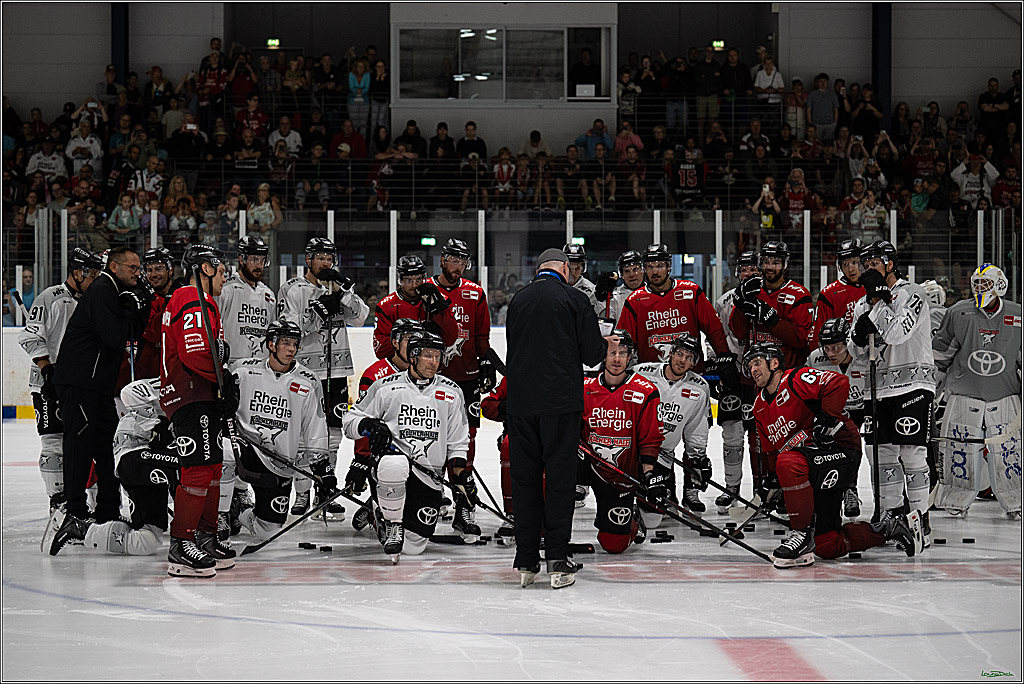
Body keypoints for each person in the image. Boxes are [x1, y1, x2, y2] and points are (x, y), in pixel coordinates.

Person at [744, 343, 922, 568]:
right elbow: (771, 450)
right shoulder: (759, 406)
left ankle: (801, 534)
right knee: (827, 546)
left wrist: (826, 420)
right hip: (811, 466)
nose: (753, 370)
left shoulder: (795, 378)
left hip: (839, 448)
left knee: (789, 462)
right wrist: (771, 482)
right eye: (750, 366)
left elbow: (837, 383)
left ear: (775, 363)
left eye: (757, 363)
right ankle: (890, 528)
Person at [505, 248, 612, 589]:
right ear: (565, 269)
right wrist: (604, 340)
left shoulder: (518, 300)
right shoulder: (574, 299)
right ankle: (556, 559)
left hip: (521, 404)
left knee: (526, 480)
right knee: (560, 482)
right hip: (561, 405)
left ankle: (525, 560)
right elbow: (594, 356)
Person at [45, 247, 149, 547]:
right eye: (132, 267)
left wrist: (133, 309)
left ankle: (107, 509)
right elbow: (116, 337)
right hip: (80, 382)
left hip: (96, 384)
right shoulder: (104, 289)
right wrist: (131, 310)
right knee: (79, 446)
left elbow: (127, 335)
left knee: (105, 446)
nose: (137, 272)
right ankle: (74, 511)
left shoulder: (112, 290)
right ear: (114, 267)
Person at [342, 330, 471, 563]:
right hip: (390, 469)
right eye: (428, 356)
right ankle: (392, 524)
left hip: (429, 476)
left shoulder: (452, 392)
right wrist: (368, 424)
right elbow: (349, 421)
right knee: (394, 463)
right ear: (413, 356)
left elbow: (458, 442)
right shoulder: (385, 387)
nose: (434, 362)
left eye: (438, 356)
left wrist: (461, 477)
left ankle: (377, 509)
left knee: (413, 548)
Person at [849, 240, 937, 543]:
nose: (867, 269)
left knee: (912, 454)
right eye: (865, 264)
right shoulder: (862, 303)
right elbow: (856, 353)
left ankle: (919, 515)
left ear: (889, 263)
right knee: (881, 455)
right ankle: (891, 514)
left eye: (873, 263)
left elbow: (898, 332)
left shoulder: (913, 294)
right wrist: (859, 337)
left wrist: (879, 302)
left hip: (913, 384)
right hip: (878, 390)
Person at [157, 244, 237, 577]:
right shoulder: (190, 297)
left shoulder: (204, 303)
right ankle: (181, 543)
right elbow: (193, 354)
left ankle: (205, 535)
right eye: (219, 269)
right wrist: (224, 378)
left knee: (214, 467)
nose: (224, 276)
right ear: (204, 268)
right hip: (190, 392)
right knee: (198, 470)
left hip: (201, 392)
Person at [277, 237, 368, 516]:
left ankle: (324, 490)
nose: (326, 263)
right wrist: (318, 312)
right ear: (308, 260)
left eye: (329, 258)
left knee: (333, 436)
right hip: (305, 371)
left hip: (337, 371)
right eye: (320, 257)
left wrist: (346, 290)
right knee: (304, 436)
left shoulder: (337, 289)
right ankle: (302, 492)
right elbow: (288, 330)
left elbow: (360, 317)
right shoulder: (293, 289)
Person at [46, 379, 180, 556]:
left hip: (157, 457)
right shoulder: (179, 377)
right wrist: (156, 425)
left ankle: (81, 529)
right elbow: (130, 391)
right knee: (189, 467)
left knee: (147, 542)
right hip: (134, 453)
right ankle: (199, 531)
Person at [932, 265, 1021, 520]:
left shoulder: (1018, 315)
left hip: (1005, 394)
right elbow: (941, 355)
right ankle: (955, 499)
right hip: (963, 394)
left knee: (1010, 451)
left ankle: (1015, 499)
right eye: (977, 284)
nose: (980, 289)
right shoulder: (958, 312)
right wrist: (932, 388)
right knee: (958, 450)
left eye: (986, 284)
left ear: (1000, 285)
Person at [20, 248, 104, 516]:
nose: (96, 279)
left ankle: (87, 503)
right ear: (76, 273)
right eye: (92, 274)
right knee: (54, 442)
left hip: (82, 384)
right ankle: (58, 502)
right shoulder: (51, 298)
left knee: (87, 444)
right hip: (50, 384)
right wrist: (47, 369)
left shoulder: (94, 300)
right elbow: (30, 337)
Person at [228, 320, 331, 541]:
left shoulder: (308, 381)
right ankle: (219, 512)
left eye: (295, 343)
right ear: (271, 344)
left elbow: (315, 426)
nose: (291, 349)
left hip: (278, 461)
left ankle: (237, 510)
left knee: (269, 530)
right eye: (285, 342)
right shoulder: (243, 370)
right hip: (245, 446)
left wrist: (322, 466)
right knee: (224, 452)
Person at [429, 238, 493, 537]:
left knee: (466, 443)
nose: (457, 266)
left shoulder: (475, 292)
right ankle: (431, 496)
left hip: (466, 380)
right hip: (432, 379)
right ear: (443, 260)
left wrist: (485, 363)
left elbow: (481, 334)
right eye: (453, 259)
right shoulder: (427, 290)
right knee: (430, 438)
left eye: (462, 261)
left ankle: (463, 504)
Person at [578, 330, 662, 554]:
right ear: (602, 356)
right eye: (611, 353)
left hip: (619, 475)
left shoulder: (645, 391)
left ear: (629, 357)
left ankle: (632, 520)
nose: (616, 359)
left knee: (613, 545)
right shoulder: (584, 388)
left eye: (622, 353)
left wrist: (649, 473)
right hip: (588, 465)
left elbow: (650, 437)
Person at [633, 333, 711, 528]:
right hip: (632, 450)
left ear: (694, 363)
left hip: (662, 457)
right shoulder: (642, 373)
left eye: (689, 357)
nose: (682, 360)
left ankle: (662, 493)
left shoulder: (700, 387)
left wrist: (697, 459)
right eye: (679, 354)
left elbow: (696, 429)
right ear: (670, 353)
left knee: (653, 520)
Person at [617, 243, 732, 368]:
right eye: (650, 267)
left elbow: (713, 328)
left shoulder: (691, 292)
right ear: (644, 269)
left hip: (691, 372)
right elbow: (624, 342)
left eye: (660, 266)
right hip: (650, 376)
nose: (655, 271)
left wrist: (723, 356)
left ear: (669, 267)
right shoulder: (635, 300)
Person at [711, 251, 759, 512]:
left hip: (761, 379)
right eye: (745, 269)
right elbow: (715, 336)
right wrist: (719, 366)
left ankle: (761, 489)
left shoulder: (768, 298)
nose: (749, 273)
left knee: (760, 436)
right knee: (731, 435)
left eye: (754, 269)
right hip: (734, 376)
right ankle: (732, 487)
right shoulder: (724, 301)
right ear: (738, 272)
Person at [808, 317, 868, 518]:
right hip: (831, 414)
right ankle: (831, 491)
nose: (831, 353)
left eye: (837, 347)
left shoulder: (865, 356)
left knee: (862, 447)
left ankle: (850, 488)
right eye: (827, 348)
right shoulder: (815, 359)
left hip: (862, 410)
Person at [373, 254, 459, 359]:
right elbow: (380, 350)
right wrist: (419, 336)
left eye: (418, 280)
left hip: (430, 366)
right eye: (409, 280)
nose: (414, 285)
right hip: (400, 370)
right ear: (400, 280)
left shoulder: (437, 300)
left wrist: (438, 313)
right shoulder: (386, 307)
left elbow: (450, 339)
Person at [812, 239, 865, 348]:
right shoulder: (829, 294)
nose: (850, 269)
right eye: (845, 264)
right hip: (840, 355)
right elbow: (817, 336)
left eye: (854, 262)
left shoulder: (875, 287)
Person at [564, 243, 618, 318]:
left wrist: (602, 300)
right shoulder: (556, 286)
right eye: (569, 268)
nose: (572, 272)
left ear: (582, 268)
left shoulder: (591, 290)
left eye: (577, 268)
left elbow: (605, 317)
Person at [605, 249, 645, 322]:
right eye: (627, 271)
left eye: (635, 269)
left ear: (642, 270)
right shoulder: (614, 298)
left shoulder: (654, 292)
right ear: (622, 274)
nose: (631, 275)